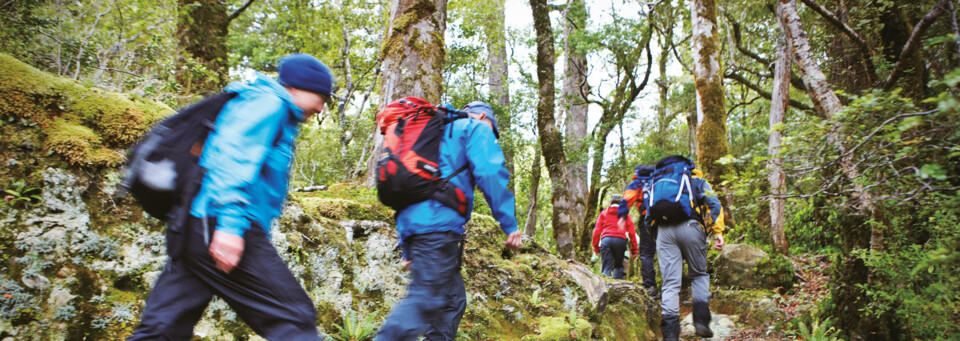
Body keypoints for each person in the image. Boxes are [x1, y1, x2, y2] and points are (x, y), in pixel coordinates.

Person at [129, 53, 333, 340]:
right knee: (293, 317)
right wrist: (230, 226)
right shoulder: (269, 103)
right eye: (321, 97)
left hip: (192, 226)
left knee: (163, 329)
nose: (322, 107)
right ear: (297, 88)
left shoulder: (259, 102)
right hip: (218, 223)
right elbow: (230, 159)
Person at [376, 101, 522, 341]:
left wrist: (407, 249)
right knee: (426, 298)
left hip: (417, 226)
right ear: (484, 116)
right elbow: (490, 174)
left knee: (453, 299)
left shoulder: (433, 132)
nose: (492, 136)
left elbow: (409, 190)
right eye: (493, 131)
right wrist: (510, 224)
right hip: (437, 225)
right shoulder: (474, 128)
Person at [646, 155, 725, 341]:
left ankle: (670, 334)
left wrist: (657, 237)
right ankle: (701, 322)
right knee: (698, 274)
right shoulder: (694, 177)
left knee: (670, 283)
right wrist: (718, 231)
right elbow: (713, 202)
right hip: (691, 227)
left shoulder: (656, 182)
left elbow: (648, 216)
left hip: (664, 232)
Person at [617, 165, 658, 296]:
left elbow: (628, 198)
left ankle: (650, 286)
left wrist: (622, 216)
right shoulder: (661, 179)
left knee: (646, 253)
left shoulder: (638, 182)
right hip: (665, 219)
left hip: (647, 218)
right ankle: (672, 286)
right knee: (667, 250)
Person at [592, 194, 638, 279]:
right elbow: (632, 232)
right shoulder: (625, 214)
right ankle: (618, 285)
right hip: (620, 240)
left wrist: (596, 247)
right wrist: (634, 249)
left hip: (606, 240)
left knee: (606, 266)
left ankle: (607, 285)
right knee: (618, 265)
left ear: (610, 202)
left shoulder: (604, 213)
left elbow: (597, 230)